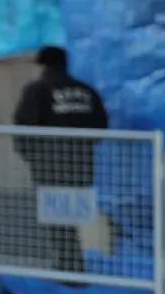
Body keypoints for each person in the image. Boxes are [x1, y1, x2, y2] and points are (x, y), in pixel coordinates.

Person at [12, 45, 109, 275]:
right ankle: (74, 263)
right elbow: (101, 126)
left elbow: (25, 125)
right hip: (82, 163)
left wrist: (30, 156)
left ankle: (70, 267)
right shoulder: (86, 91)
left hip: (50, 164)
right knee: (73, 216)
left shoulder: (38, 90)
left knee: (56, 217)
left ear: (42, 65)